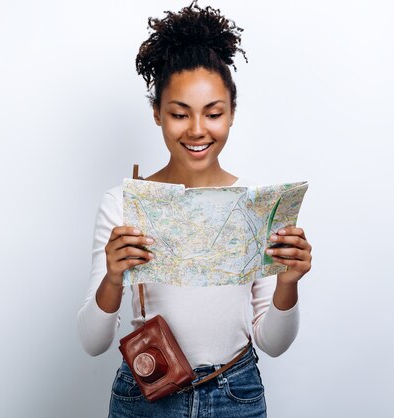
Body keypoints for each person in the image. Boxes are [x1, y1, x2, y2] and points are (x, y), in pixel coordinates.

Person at [77, 2, 313, 417]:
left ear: (232, 114)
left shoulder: (257, 207)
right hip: (148, 389)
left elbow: (272, 343)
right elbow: (93, 342)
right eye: (179, 114)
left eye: (214, 113)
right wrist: (114, 277)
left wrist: (288, 283)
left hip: (235, 394)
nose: (198, 130)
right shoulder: (124, 202)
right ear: (157, 114)